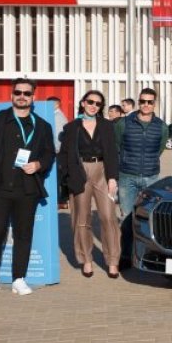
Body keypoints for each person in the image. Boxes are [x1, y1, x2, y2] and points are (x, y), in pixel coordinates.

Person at [0, 77, 56, 299]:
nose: (22, 96)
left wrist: (39, 164)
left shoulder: (42, 126)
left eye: (27, 93)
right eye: (18, 92)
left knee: (23, 235)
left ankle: (19, 278)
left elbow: (49, 153)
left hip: (27, 189)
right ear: (12, 95)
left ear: (33, 97)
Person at [58, 90, 122, 279]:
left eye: (98, 103)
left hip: (103, 170)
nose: (94, 106)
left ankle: (113, 261)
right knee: (81, 218)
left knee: (108, 217)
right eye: (90, 102)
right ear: (83, 103)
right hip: (80, 172)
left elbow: (112, 152)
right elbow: (64, 154)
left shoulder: (107, 126)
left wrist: (113, 177)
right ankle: (86, 259)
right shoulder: (71, 127)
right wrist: (68, 175)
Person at [115, 87, 168, 268]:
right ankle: (126, 256)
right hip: (127, 177)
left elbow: (159, 149)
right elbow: (117, 146)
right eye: (142, 101)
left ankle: (149, 255)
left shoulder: (161, 126)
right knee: (127, 218)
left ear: (154, 104)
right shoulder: (124, 123)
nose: (146, 105)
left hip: (151, 177)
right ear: (138, 102)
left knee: (149, 218)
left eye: (149, 102)